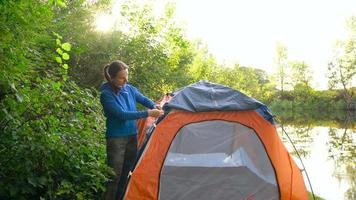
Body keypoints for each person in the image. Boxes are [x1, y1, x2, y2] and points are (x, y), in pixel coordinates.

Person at [100, 60, 164, 200]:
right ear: (112, 78)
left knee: (127, 173)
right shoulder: (106, 94)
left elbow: (143, 99)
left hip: (132, 137)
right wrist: (148, 113)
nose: (125, 80)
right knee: (114, 176)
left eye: (126, 76)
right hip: (116, 139)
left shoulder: (130, 89)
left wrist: (155, 106)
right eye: (122, 77)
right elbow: (122, 114)